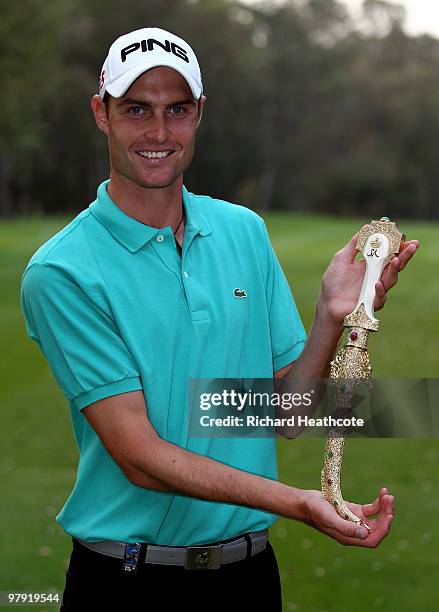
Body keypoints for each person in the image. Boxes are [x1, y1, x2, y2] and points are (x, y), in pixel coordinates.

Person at [20, 27, 418, 611]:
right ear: (101, 113)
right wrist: (297, 501)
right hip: (128, 581)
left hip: (249, 578)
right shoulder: (63, 271)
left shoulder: (243, 232)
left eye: (177, 110)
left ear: (200, 113)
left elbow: (284, 415)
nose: (159, 132)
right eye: (137, 109)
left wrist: (330, 318)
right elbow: (141, 456)